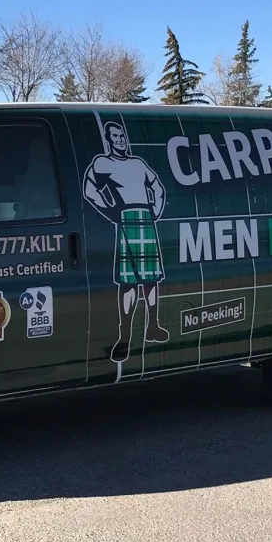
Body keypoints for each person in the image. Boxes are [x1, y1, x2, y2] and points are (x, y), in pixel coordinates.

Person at [83, 120, 169, 362]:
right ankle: (125, 337)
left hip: (146, 218)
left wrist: (156, 209)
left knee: (151, 279)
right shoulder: (103, 163)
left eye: (122, 135)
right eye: (116, 136)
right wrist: (111, 212)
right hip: (126, 218)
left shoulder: (138, 163)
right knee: (129, 283)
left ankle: (153, 326)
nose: (121, 139)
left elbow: (157, 187)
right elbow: (90, 190)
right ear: (109, 140)